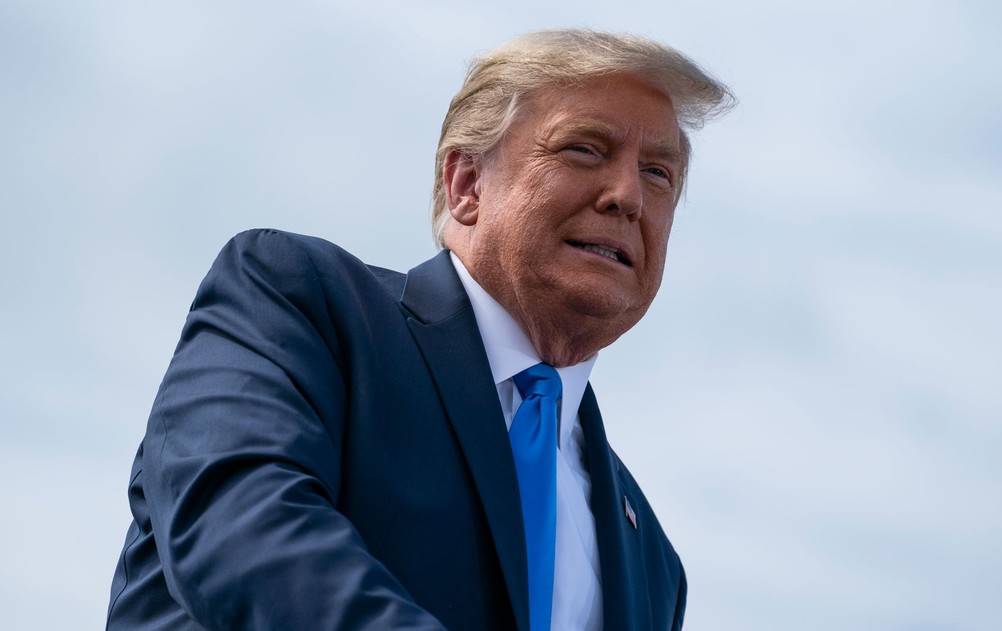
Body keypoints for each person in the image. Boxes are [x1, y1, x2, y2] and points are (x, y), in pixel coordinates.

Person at [106, 28, 732, 631]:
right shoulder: (301, 304)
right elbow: (240, 528)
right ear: (465, 185)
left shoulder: (654, 563)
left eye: (659, 174)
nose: (627, 195)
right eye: (585, 149)